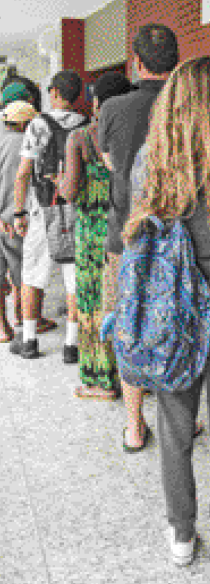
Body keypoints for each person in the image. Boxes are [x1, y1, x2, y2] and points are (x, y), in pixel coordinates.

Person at [123, 55, 210, 567]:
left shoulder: (148, 161)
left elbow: (135, 233)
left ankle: (181, 534)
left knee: (175, 428)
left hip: (168, 312)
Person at [98, 23, 179, 452]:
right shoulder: (188, 105)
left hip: (125, 237)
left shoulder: (113, 108)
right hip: (179, 237)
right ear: (176, 62)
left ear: (137, 63)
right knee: (175, 322)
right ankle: (180, 419)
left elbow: (112, 163)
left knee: (129, 327)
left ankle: (134, 425)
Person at [58, 71, 133, 400]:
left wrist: (59, 180)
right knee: (126, 300)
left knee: (92, 302)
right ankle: (134, 379)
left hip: (92, 236)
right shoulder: (136, 134)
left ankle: (100, 381)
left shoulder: (81, 138)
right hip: (128, 229)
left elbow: (71, 192)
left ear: (97, 102)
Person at [11, 70, 87, 361]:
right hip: (76, 209)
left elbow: (23, 174)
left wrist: (19, 212)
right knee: (73, 277)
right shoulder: (87, 125)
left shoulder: (37, 125)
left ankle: (29, 340)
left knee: (33, 274)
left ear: (54, 92)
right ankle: (71, 345)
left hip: (42, 209)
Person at [0, 101, 37, 342]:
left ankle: (3, 328)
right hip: (15, 216)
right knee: (23, 268)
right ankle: (23, 315)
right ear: (25, 122)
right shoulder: (26, 144)